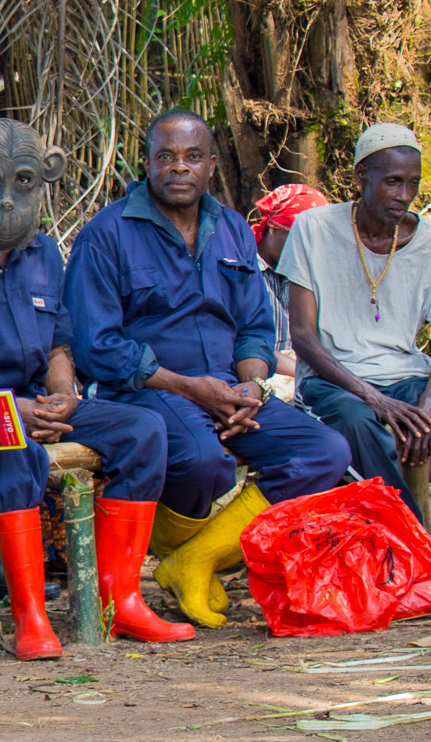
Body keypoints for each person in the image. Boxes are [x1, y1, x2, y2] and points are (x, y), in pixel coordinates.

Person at [0, 119, 191, 654]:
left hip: (33, 400)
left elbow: (58, 346)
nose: (7, 199)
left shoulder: (46, 252)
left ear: (46, 177)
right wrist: (4, 405)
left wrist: (63, 395)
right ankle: (31, 614)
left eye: (24, 182)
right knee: (12, 449)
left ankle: (117, 600)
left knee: (144, 428)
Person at [66, 109, 351, 630]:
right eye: (166, 157)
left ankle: (195, 560)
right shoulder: (106, 234)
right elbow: (96, 346)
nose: (180, 168)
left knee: (323, 451)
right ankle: (177, 557)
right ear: (146, 163)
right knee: (203, 461)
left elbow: (255, 327)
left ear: (212, 165)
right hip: (147, 391)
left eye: (192, 157)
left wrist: (248, 385)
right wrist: (192, 389)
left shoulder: (234, 229)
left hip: (229, 391)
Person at [283, 123, 431, 604]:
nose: (405, 194)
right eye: (393, 181)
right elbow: (305, 339)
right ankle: (419, 555)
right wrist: (376, 399)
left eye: (413, 183)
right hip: (337, 388)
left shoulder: (429, 239)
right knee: (356, 422)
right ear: (362, 176)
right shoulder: (314, 229)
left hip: (408, 382)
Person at [247, 182, 331, 382]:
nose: (309, 250)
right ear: (275, 230)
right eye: (301, 240)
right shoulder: (241, 271)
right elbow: (240, 343)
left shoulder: (305, 276)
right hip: (258, 374)